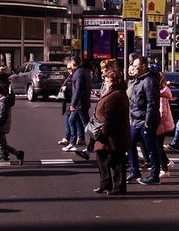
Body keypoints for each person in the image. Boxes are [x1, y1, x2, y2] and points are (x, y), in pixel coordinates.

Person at [93, 59, 131, 195]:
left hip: (112, 135)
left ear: (113, 82)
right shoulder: (112, 93)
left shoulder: (116, 95)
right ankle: (106, 184)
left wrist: (102, 133)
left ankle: (119, 187)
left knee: (116, 161)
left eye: (107, 81)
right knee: (102, 158)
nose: (105, 83)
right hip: (107, 134)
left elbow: (111, 118)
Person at [127, 56, 161, 185]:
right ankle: (135, 171)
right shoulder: (138, 80)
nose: (133, 68)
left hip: (145, 120)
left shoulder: (148, 81)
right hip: (136, 120)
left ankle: (154, 176)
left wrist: (148, 122)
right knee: (129, 144)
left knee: (151, 148)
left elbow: (152, 103)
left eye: (135, 66)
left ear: (143, 67)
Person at [0, 85, 24, 169]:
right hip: (1, 126)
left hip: (0, 127)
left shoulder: (3, 103)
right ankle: (18, 154)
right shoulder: (2, 102)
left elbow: (2, 116)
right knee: (2, 145)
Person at [63, 56, 91, 152]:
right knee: (72, 121)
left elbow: (78, 90)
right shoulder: (84, 72)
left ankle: (94, 143)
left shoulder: (78, 73)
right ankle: (72, 143)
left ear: (74, 64)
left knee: (86, 125)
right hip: (82, 103)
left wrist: (73, 104)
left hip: (79, 104)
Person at [156, 72, 176, 178]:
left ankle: (164, 168)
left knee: (158, 145)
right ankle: (166, 163)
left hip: (161, 124)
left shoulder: (161, 94)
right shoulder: (162, 92)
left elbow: (162, 113)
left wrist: (155, 122)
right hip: (163, 123)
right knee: (157, 145)